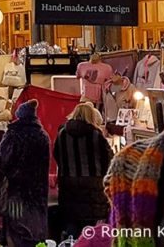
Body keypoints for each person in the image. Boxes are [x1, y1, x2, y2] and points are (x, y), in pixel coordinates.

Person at [0, 100, 50, 246]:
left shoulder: (14, 133)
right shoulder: (42, 135)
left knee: (15, 230)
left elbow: (2, 159)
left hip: (16, 191)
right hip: (37, 192)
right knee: (34, 232)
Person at [53, 102, 112, 239]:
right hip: (93, 186)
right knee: (91, 227)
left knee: (71, 221)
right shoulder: (96, 135)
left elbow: (57, 155)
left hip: (68, 184)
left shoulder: (62, 134)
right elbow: (108, 158)